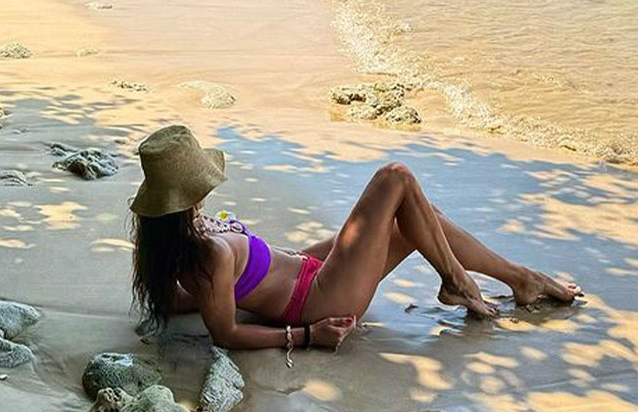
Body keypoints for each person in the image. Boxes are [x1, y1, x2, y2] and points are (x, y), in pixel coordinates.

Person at [128, 126, 582, 353]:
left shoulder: (181, 242)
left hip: (308, 270)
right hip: (318, 299)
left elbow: (188, 300)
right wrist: (308, 335)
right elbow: (224, 333)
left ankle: (520, 279)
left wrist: (225, 290)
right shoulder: (206, 253)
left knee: (421, 219)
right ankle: (460, 281)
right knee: (395, 178)